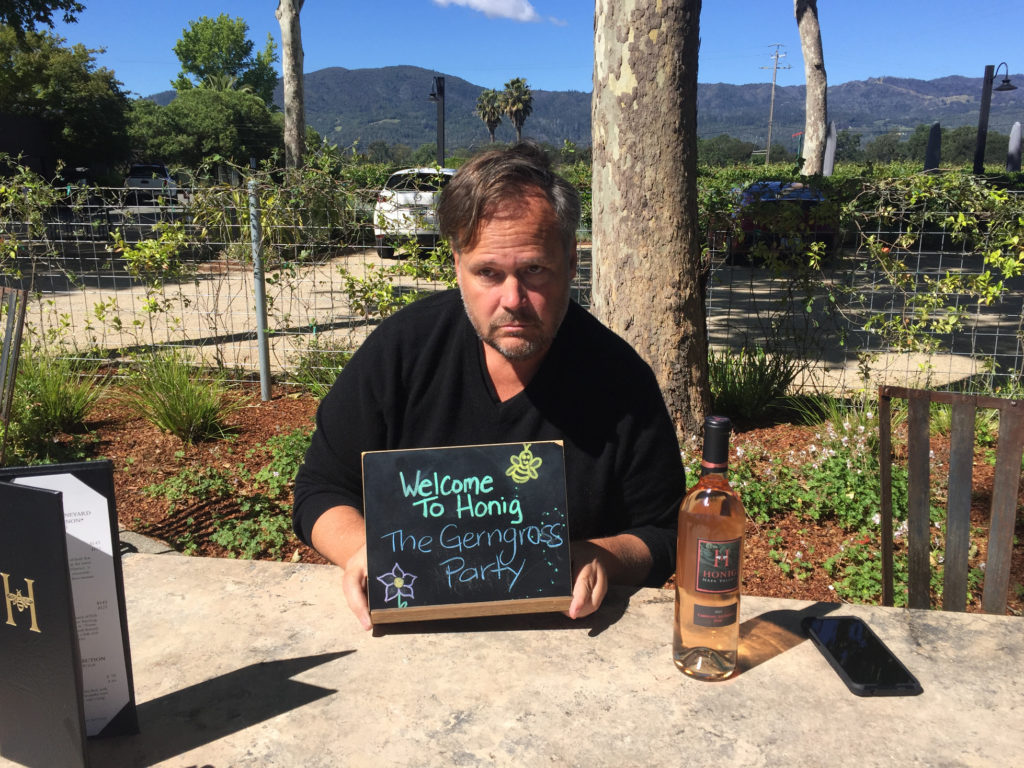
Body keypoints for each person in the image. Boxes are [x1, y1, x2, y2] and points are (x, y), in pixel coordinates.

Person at [293, 142, 686, 629]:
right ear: (457, 265)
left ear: (571, 263)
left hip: (568, 643)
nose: (513, 299)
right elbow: (320, 489)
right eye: (488, 273)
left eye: (534, 270)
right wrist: (362, 548)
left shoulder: (619, 379)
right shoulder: (401, 351)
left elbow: (667, 532)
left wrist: (601, 555)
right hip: (409, 636)